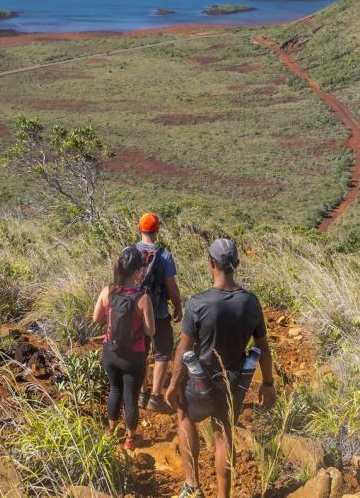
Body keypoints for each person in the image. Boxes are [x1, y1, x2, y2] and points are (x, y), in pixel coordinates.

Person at [166, 238, 277, 498]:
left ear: (211, 263)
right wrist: (268, 383)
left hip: (200, 383)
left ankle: (192, 487)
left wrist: (173, 384)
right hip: (234, 383)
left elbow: (183, 348)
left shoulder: (197, 303)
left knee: (184, 414)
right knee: (224, 435)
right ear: (236, 264)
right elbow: (263, 346)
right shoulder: (251, 302)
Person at [93, 246, 155, 451]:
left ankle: (111, 431)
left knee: (115, 390)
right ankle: (130, 439)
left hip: (110, 352)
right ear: (137, 271)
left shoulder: (108, 291)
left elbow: (96, 318)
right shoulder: (143, 298)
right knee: (131, 397)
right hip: (133, 356)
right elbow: (150, 330)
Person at [135, 211, 183, 412]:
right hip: (159, 313)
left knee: (140, 351)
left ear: (140, 229)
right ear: (157, 231)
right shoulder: (164, 256)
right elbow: (171, 287)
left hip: (135, 312)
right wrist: (178, 306)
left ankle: (141, 393)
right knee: (162, 352)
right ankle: (155, 396)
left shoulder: (129, 252)